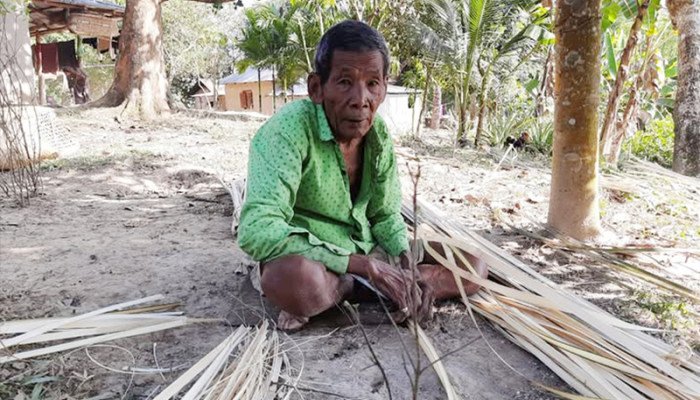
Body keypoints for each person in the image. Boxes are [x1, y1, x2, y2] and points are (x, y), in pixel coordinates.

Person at [238, 20, 487, 331]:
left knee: (473, 267)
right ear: (317, 88)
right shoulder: (286, 132)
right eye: (344, 82)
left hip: (371, 249)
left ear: (384, 86)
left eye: (372, 83)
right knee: (292, 280)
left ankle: (375, 287)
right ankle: (352, 286)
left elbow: (384, 215)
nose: (360, 99)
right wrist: (361, 266)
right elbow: (257, 230)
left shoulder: (377, 134)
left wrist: (403, 261)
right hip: (317, 259)